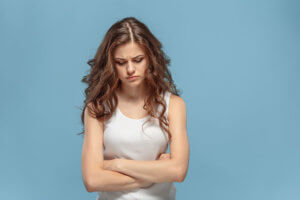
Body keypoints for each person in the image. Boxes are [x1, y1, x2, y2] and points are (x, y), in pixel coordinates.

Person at [79, 16, 190, 200]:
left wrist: (117, 165)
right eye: (121, 62)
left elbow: (178, 171)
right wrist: (155, 174)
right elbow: (92, 180)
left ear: (150, 58)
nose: (130, 69)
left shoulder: (174, 105)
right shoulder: (97, 109)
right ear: (111, 64)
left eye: (138, 60)